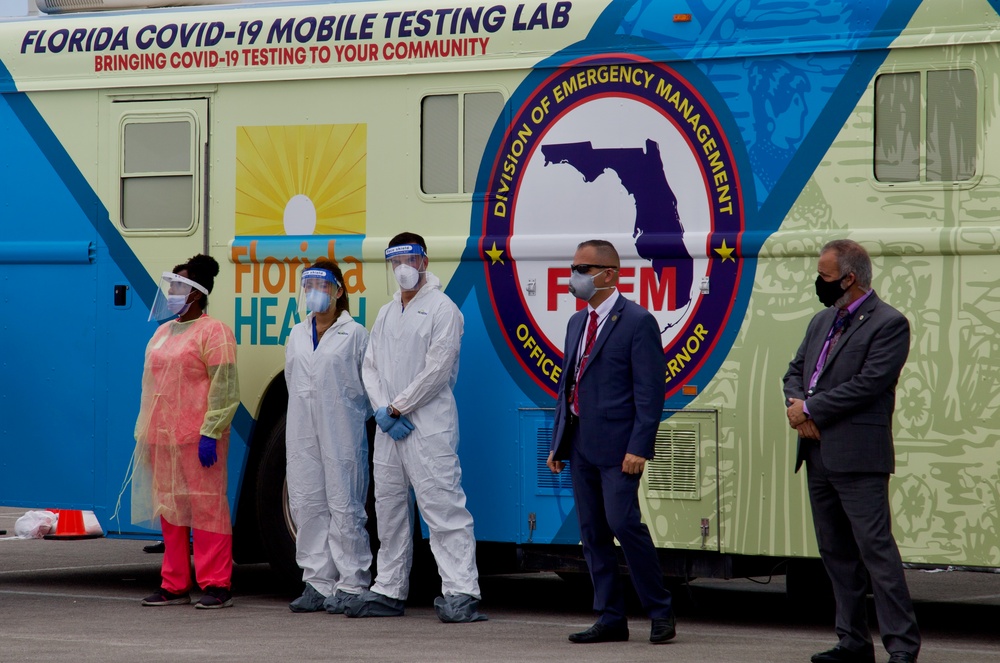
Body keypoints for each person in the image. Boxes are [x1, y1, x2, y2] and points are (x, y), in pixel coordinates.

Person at [783, 239, 920, 663]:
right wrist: (797, 408)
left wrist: (812, 408)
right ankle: (853, 642)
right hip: (817, 454)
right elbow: (795, 372)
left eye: (824, 276)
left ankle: (901, 646)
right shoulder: (821, 321)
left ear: (850, 278)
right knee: (836, 554)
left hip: (859, 456)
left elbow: (869, 384)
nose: (817, 282)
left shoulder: (889, 323)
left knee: (876, 552)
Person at [348, 232, 485, 623]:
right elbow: (369, 366)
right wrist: (381, 411)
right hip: (390, 430)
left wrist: (397, 405)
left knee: (442, 507)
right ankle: (389, 589)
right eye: (396, 262)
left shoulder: (443, 309)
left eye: (410, 260)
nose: (403, 269)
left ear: (424, 261)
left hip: (428, 427)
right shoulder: (386, 312)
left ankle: (461, 591)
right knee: (389, 510)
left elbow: (437, 370)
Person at [546, 239, 676, 644]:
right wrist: (558, 442)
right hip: (582, 442)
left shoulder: (637, 321)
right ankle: (611, 617)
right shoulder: (576, 323)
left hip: (621, 448)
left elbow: (650, 393)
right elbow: (567, 385)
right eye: (574, 267)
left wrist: (640, 446)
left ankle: (660, 611)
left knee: (624, 524)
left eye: (583, 269)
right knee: (592, 531)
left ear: (609, 274)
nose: (575, 275)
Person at [132, 254, 240, 609]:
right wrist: (147, 432)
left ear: (196, 292)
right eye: (172, 285)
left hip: (198, 438)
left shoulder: (215, 332)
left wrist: (212, 430)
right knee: (171, 508)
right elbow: (152, 385)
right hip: (164, 437)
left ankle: (216, 583)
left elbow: (224, 386)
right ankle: (174, 582)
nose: (172, 291)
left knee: (207, 508)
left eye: (179, 285)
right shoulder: (163, 331)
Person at [284, 261, 373, 614]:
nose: (315, 292)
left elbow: (368, 387)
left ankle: (352, 583)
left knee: (344, 503)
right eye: (309, 285)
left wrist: (345, 414)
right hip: (302, 430)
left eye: (322, 285)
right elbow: (294, 381)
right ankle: (316, 582)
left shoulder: (355, 335)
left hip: (341, 429)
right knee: (307, 502)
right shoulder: (296, 334)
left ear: (338, 291)